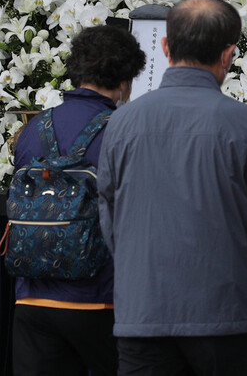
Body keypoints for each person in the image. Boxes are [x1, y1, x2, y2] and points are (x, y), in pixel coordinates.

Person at [97, 0, 247, 375]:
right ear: (229, 54)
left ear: (165, 47)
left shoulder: (120, 122)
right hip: (225, 310)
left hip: (143, 309)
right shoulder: (246, 124)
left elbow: (109, 219)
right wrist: (241, 279)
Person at [11, 25, 146, 376]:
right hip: (101, 297)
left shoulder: (33, 127)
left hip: (32, 297)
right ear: (125, 80)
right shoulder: (126, 129)